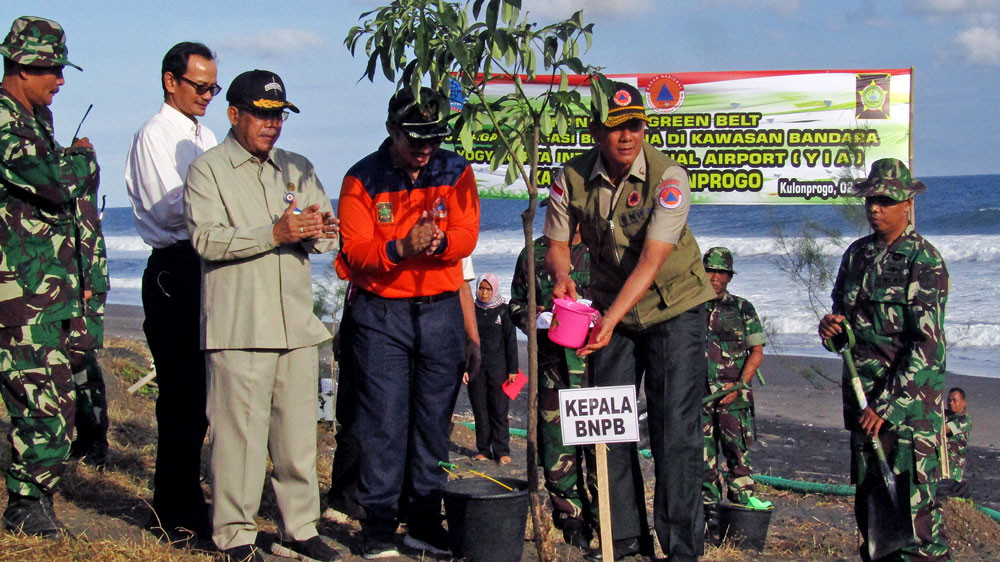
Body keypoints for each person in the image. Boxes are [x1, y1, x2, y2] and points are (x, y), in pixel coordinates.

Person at [544, 81, 715, 561]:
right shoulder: (570, 177)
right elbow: (557, 242)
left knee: (673, 431)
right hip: (610, 310)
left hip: (672, 308)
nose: (626, 136)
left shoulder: (669, 177)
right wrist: (562, 278)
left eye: (635, 125)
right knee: (608, 424)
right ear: (597, 130)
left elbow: (652, 261)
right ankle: (625, 542)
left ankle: (682, 548)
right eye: (616, 127)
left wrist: (608, 319)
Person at [184, 69, 341, 562]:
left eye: (279, 116)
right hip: (239, 325)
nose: (272, 125)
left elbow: (328, 235)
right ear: (235, 115)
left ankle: (301, 527)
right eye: (263, 114)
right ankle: (234, 534)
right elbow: (205, 239)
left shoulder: (296, 166)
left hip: (295, 323)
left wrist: (318, 230)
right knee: (239, 440)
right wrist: (272, 233)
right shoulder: (208, 170)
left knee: (298, 437)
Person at [337, 86, 479, 558]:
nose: (424, 148)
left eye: (434, 138)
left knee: (433, 423)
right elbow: (354, 251)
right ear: (391, 129)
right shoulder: (361, 179)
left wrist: (436, 244)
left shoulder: (455, 170)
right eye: (414, 137)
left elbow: (466, 234)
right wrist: (402, 246)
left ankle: (422, 520)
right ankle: (377, 525)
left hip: (439, 311)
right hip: (380, 314)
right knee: (382, 421)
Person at [819, 158, 950, 561]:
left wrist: (888, 406)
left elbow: (928, 347)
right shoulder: (856, 256)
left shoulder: (922, 261)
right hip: (862, 403)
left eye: (885, 200)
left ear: (907, 203)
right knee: (874, 518)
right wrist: (831, 331)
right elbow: (847, 328)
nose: (875, 208)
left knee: (916, 522)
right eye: (871, 199)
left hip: (907, 413)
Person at [0, 15, 99, 537]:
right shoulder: (5, 121)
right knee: (42, 402)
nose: (60, 81)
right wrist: (82, 161)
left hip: (43, 291)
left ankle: (32, 501)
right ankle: (26, 506)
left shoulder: (33, 119)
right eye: (53, 71)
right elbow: (54, 184)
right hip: (17, 294)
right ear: (23, 67)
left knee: (54, 400)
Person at [124, 41, 219, 539]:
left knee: (204, 397)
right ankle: (172, 509)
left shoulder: (205, 135)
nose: (206, 95)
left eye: (213, 88)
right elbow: (169, 209)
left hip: (208, 266)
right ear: (170, 80)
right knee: (180, 396)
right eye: (199, 86)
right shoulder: (154, 135)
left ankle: (188, 500)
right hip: (174, 269)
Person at [323, 258, 479, 525]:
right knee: (367, 418)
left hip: (431, 328)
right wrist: (346, 328)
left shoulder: (448, 226)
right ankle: (349, 500)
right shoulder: (384, 222)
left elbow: (461, 285)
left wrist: (472, 338)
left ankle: (413, 511)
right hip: (375, 322)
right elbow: (358, 277)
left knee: (424, 425)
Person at [509, 231, 595, 548]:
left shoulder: (600, 247)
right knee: (556, 447)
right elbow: (515, 304)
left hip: (595, 368)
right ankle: (571, 518)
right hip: (552, 368)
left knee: (599, 447)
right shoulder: (532, 254)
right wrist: (537, 317)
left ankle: (604, 518)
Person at [699, 247, 765, 533]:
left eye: (721, 272)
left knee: (738, 457)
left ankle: (742, 514)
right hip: (699, 396)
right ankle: (709, 517)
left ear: (729, 277)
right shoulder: (690, 308)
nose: (715, 277)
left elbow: (757, 350)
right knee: (703, 459)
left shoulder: (742, 308)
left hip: (733, 397)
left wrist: (739, 385)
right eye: (710, 270)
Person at [67, 176, 111, 469]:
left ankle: (96, 443)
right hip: (67, 288)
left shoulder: (77, 190)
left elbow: (86, 240)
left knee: (83, 366)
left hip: (83, 291)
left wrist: (87, 286)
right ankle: (83, 440)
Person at [468, 273, 518, 464]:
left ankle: (502, 450)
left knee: (499, 409)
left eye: (488, 289)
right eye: (481, 288)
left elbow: (510, 341)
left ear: (494, 290)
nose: (484, 293)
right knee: (480, 410)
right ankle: (483, 449)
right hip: (476, 368)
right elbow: (465, 341)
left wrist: (513, 369)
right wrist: (465, 368)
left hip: (499, 368)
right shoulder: (471, 310)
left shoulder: (503, 311)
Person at [938, 387, 971, 498]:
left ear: (963, 402)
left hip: (953, 470)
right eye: (949, 400)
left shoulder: (964, 420)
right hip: (940, 466)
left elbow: (946, 429)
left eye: (954, 400)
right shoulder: (944, 415)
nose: (951, 403)